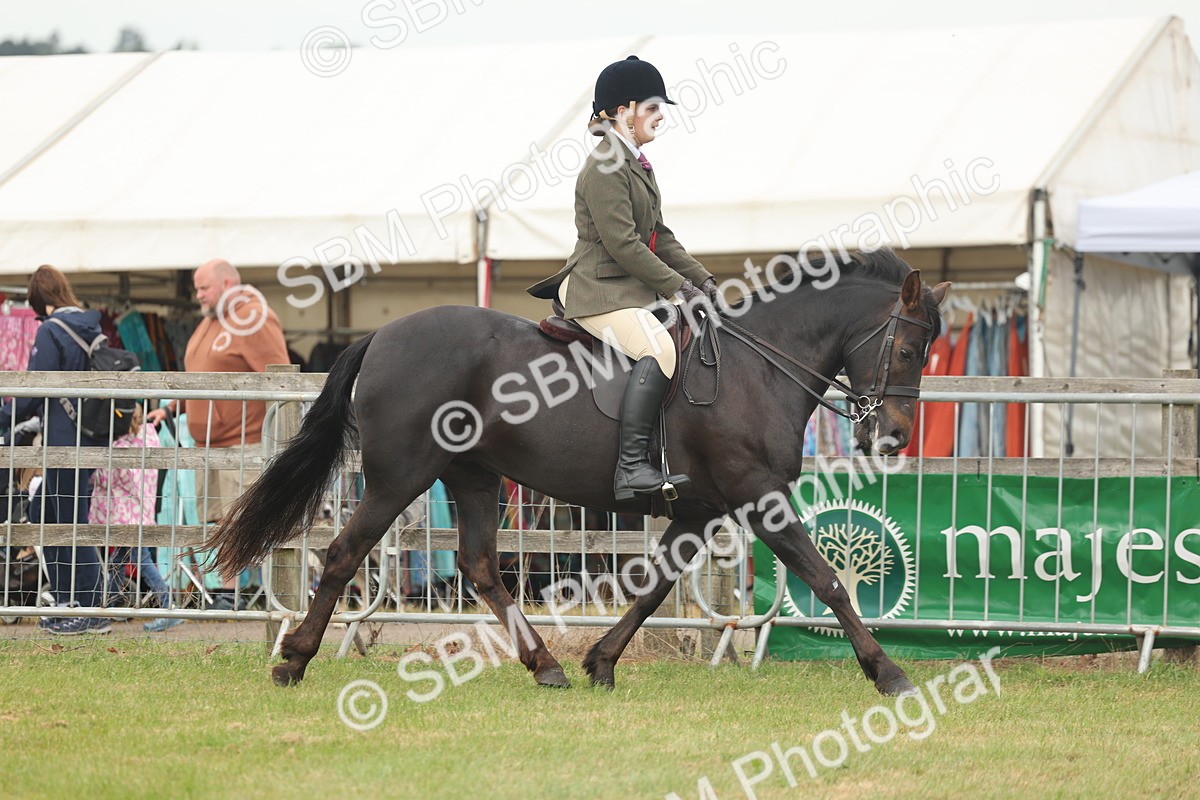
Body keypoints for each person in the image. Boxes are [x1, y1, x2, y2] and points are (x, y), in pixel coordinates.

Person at [526, 56, 719, 500]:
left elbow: (659, 236)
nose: (660, 115)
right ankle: (630, 469)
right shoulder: (605, 166)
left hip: (624, 288)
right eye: (652, 107)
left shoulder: (636, 163)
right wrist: (678, 288)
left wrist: (703, 280)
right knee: (658, 347)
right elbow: (624, 245)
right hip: (596, 288)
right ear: (623, 110)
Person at [0, 265, 112, 635]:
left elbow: (34, 390)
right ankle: (69, 601)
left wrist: (4, 417)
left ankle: (89, 609)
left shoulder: (51, 330)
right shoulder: (88, 325)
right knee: (48, 510)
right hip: (88, 438)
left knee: (69, 524)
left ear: (38, 300)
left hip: (66, 443)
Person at [147, 259, 289, 523]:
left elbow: (285, 382)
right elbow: (202, 378)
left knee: (246, 537)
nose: (198, 295)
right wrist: (171, 409)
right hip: (208, 449)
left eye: (203, 288)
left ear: (227, 284)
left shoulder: (254, 318)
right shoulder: (211, 320)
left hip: (243, 451)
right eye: (196, 289)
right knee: (218, 538)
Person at [89, 405, 185, 632]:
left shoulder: (119, 448)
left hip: (124, 512)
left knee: (140, 559)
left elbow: (102, 478)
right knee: (119, 560)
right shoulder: (149, 438)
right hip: (141, 508)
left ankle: (168, 606)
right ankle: (109, 605)